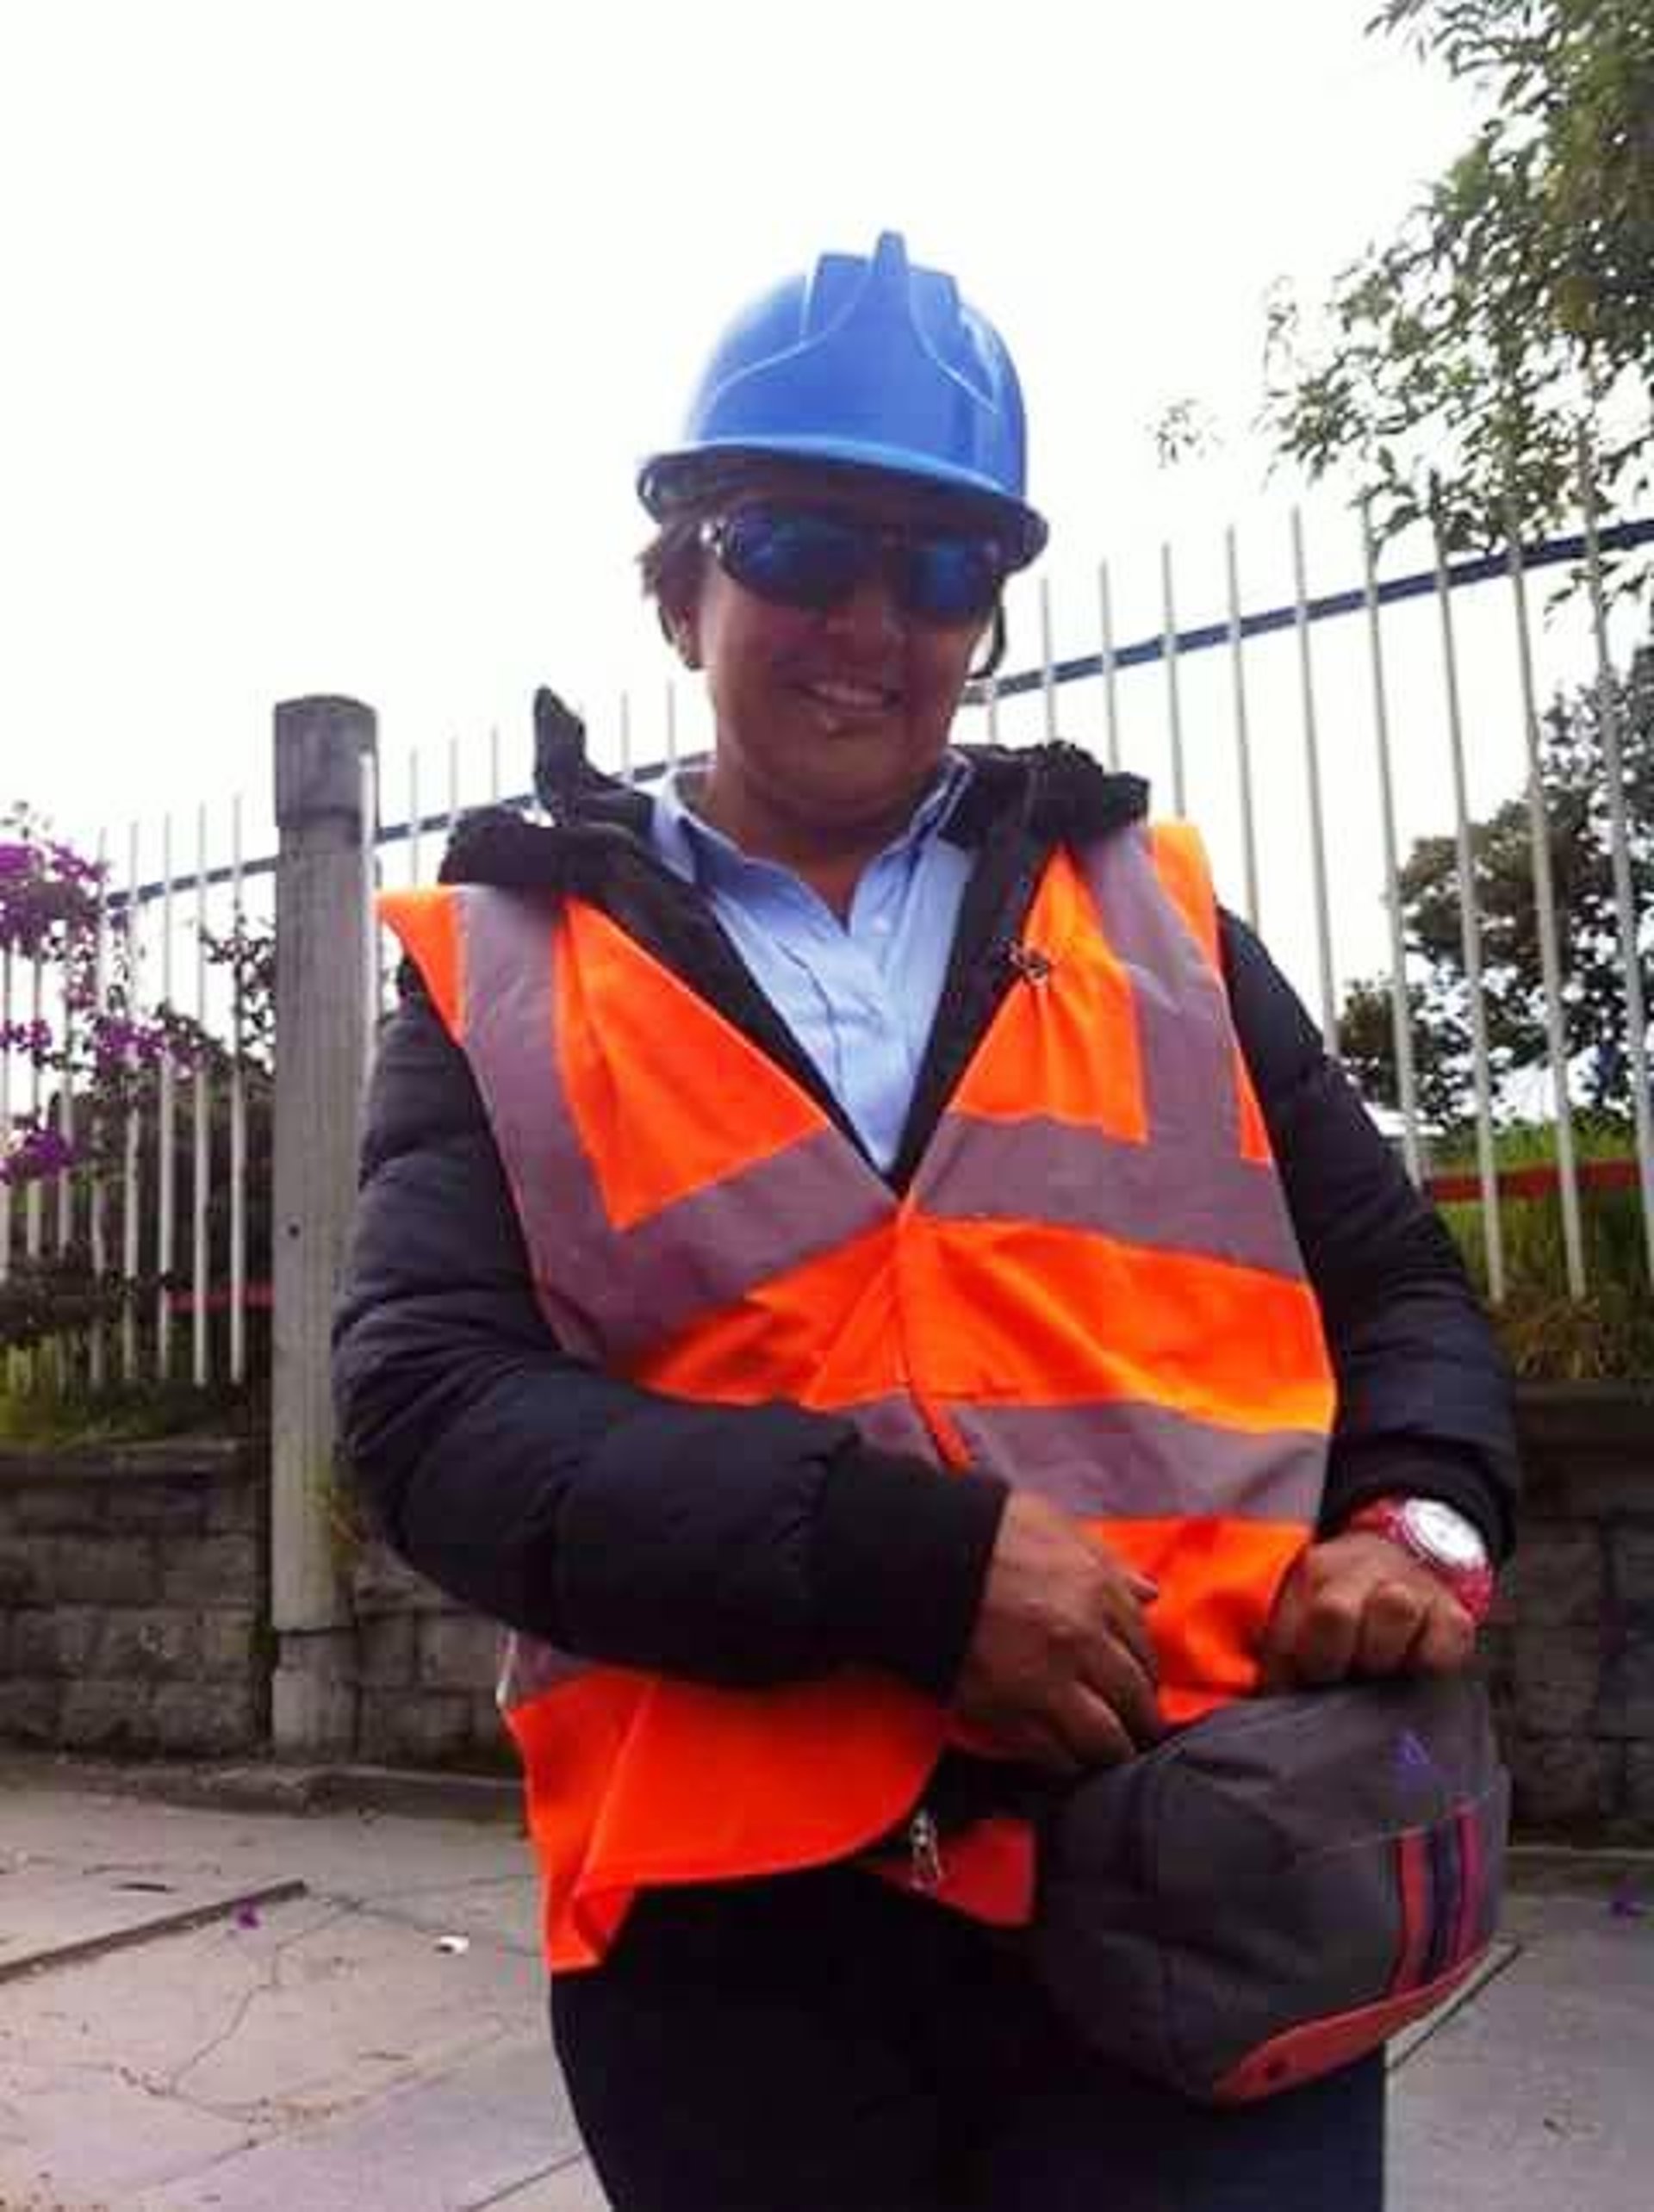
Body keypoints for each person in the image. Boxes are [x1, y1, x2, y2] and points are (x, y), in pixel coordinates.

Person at [334, 231, 1517, 2210]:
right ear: (685, 574)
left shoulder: (1156, 915)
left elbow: (1397, 1286)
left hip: (1213, 1875)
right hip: (738, 1965)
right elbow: (427, 1416)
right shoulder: (503, 964)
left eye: (943, 567)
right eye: (802, 544)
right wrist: (898, 1564)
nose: (869, 621)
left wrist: (1422, 1519)